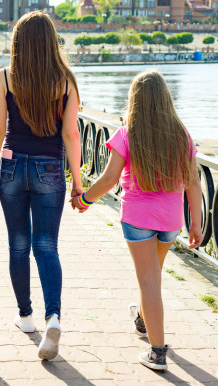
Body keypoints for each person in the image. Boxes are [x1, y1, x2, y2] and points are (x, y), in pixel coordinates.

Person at [71, 70, 202, 371]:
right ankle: (143, 320)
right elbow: (193, 182)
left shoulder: (128, 133)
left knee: (149, 280)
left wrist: (85, 200)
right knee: (153, 276)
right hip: (171, 220)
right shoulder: (181, 134)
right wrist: (195, 223)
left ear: (135, 99)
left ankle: (157, 352)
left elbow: (108, 179)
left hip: (138, 218)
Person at [0, 11, 82, 360]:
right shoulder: (66, 81)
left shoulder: (6, 77)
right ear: (50, 42)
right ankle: (53, 315)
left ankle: (25, 316)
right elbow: (71, 134)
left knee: (17, 245)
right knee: (46, 246)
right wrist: (78, 183)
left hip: (11, 166)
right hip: (49, 169)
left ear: (18, 43)